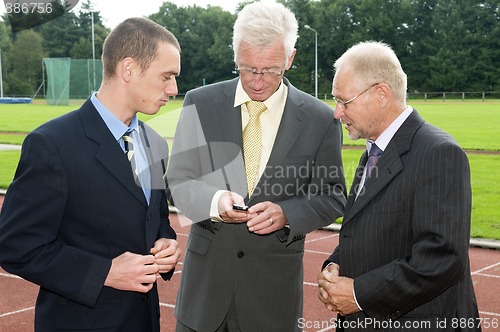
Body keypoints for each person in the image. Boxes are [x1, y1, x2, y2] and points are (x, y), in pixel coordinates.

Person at [167, 2, 346, 331]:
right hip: (205, 296)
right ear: (235, 56)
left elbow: (332, 195)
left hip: (272, 298)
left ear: (289, 59)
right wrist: (214, 202)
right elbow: (178, 179)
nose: (258, 81)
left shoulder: (321, 119)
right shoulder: (200, 103)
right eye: (248, 69)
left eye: (270, 70)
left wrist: (287, 213)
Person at [0, 17, 181, 331]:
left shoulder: (153, 143)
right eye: (167, 76)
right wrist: (106, 272)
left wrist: (166, 244)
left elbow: (158, 219)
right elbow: (16, 245)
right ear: (128, 69)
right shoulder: (52, 144)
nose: (174, 89)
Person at [317, 41, 481, 331]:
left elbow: (441, 258)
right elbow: (365, 229)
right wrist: (334, 266)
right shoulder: (374, 149)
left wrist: (357, 294)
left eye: (344, 101)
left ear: (381, 94)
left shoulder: (439, 153)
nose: (336, 112)